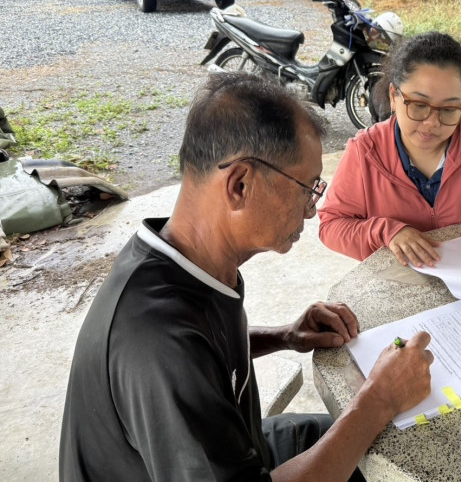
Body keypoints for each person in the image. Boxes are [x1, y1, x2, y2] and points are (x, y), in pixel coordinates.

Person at [59, 73, 434, 482]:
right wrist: (379, 399)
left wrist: (284, 336)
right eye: (307, 187)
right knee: (372, 434)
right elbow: (185, 358)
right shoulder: (157, 339)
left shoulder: (183, 261)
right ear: (240, 184)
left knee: (380, 451)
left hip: (238, 442)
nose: (311, 209)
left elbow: (205, 353)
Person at [318, 31, 461, 267]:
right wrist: (385, 232)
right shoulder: (364, 152)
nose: (432, 122)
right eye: (418, 105)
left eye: (449, 109)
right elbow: (332, 225)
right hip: (401, 280)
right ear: (394, 96)